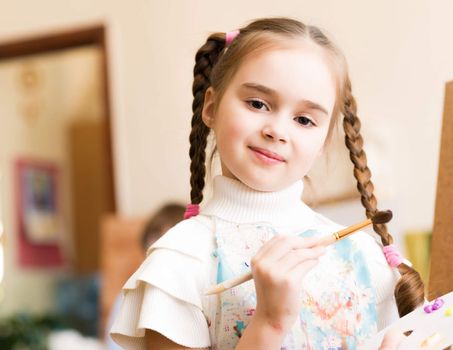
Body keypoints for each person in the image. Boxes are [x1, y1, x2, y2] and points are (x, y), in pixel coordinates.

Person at [111, 17, 425, 349]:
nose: (277, 130)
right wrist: (269, 323)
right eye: (257, 104)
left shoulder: (366, 259)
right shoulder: (179, 263)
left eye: (304, 120)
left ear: (322, 143)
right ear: (211, 107)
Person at [105, 203, 185, 350]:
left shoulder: (192, 295)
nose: (158, 244)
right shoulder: (129, 295)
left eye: (168, 236)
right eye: (155, 236)